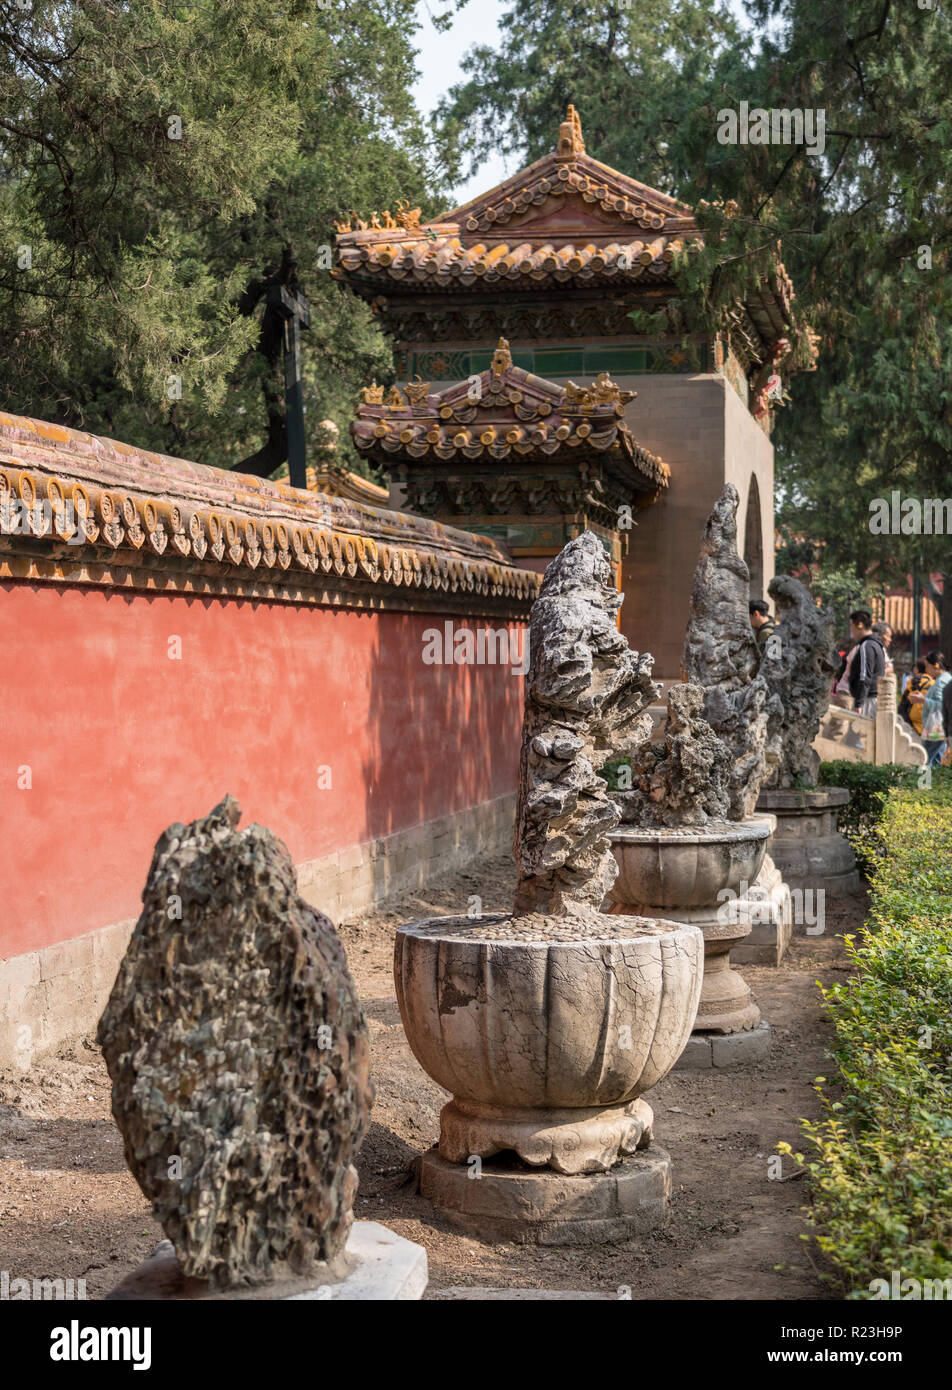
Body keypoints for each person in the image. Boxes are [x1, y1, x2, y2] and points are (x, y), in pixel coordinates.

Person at [909, 650, 951, 766]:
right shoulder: (945, 679)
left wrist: (923, 700)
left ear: (936, 665)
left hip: (936, 729)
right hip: (940, 727)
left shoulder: (942, 681)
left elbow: (942, 704)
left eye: (927, 666)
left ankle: (923, 779)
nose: (926, 670)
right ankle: (934, 778)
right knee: (936, 760)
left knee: (925, 758)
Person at [900, 659, 933, 736]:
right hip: (930, 728)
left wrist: (910, 725)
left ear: (917, 669)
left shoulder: (911, 684)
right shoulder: (933, 683)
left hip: (913, 728)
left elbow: (902, 708)